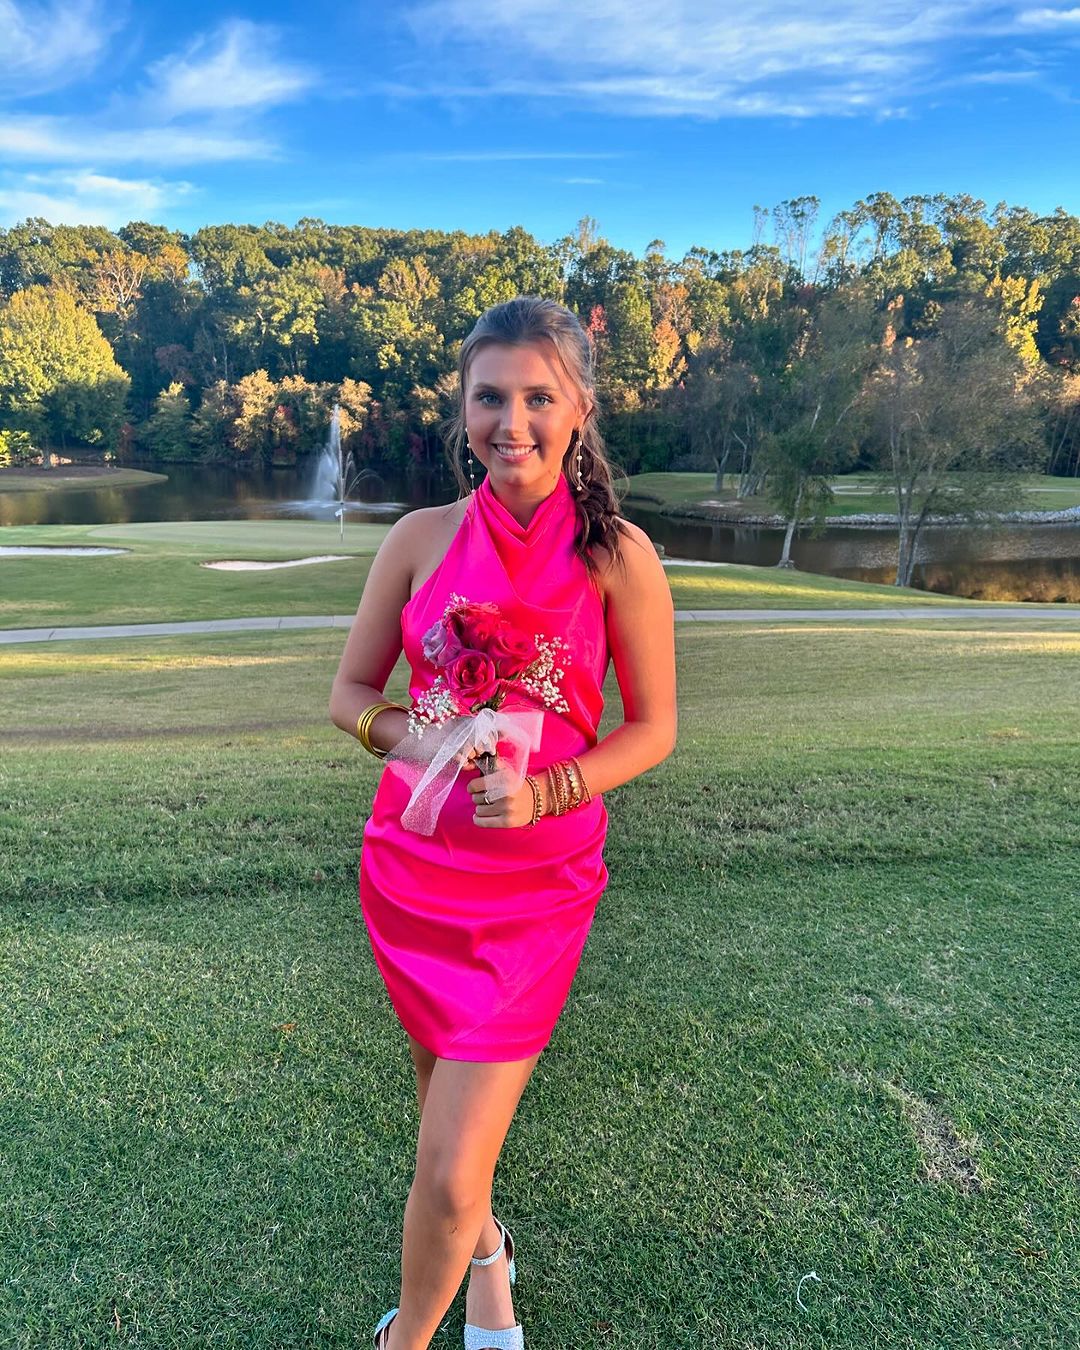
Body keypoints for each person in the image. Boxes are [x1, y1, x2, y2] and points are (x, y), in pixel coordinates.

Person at [329, 295, 677, 1350]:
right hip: (412, 875)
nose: (510, 422)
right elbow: (350, 694)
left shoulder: (620, 557)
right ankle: (489, 1261)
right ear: (463, 408)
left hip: (536, 893)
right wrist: (420, 740)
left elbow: (654, 728)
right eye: (489, 397)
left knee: (447, 1169)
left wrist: (551, 790)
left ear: (579, 410)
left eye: (537, 397)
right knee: (446, 1122)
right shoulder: (418, 538)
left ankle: (401, 1340)